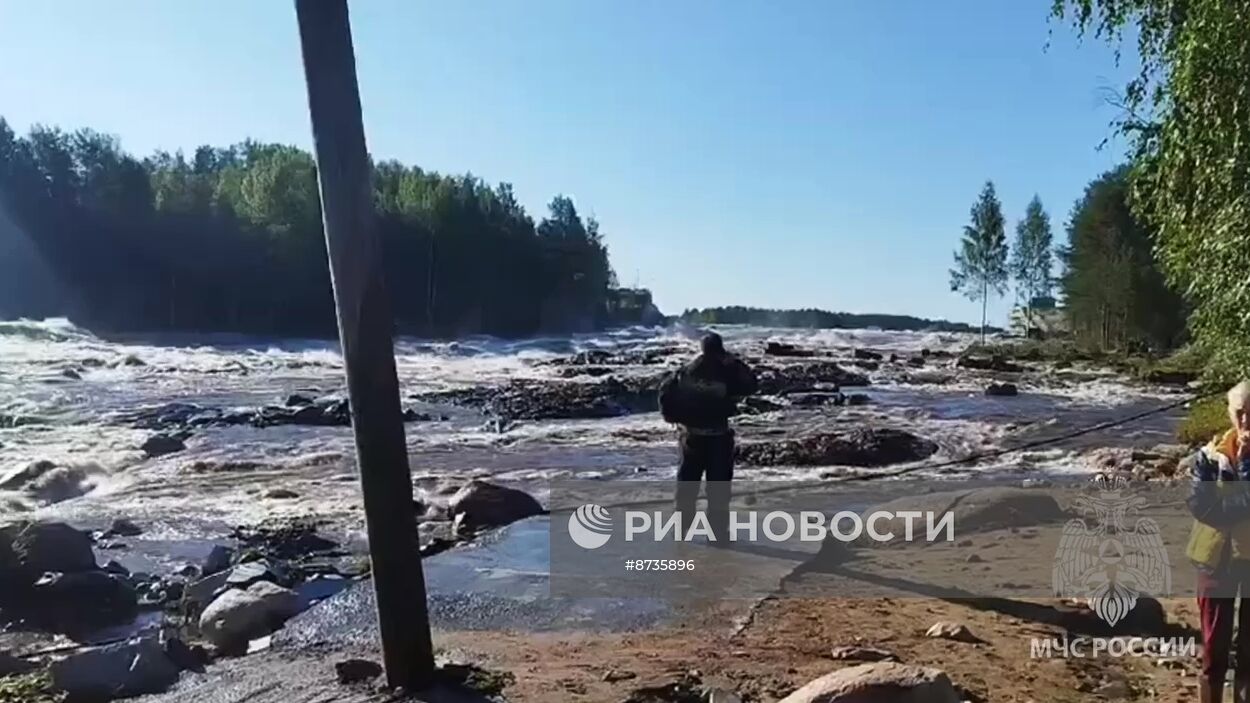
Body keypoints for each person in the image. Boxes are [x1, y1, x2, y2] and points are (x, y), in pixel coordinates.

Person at [659, 332, 758, 543]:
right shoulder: (726, 373)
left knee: (686, 488)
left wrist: (672, 417)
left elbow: (664, 392)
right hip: (718, 437)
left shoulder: (685, 371)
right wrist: (735, 362)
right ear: (720, 351)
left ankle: (682, 531)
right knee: (719, 491)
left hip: (690, 437)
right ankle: (718, 534)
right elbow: (751, 386)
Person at [1187, 380, 1250, 703]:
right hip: (1214, 559)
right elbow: (1202, 506)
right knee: (1214, 648)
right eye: (1240, 412)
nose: (1245, 422)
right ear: (1229, 412)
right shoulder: (1210, 456)